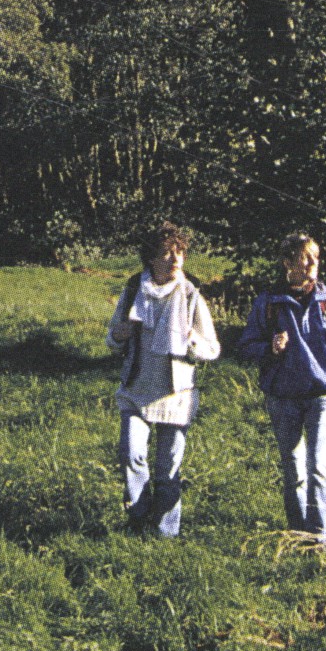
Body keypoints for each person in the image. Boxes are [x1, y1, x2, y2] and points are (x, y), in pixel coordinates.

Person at [238, 233, 326, 546]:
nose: (313, 264)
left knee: (317, 465)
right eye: (305, 257)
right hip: (284, 395)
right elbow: (247, 345)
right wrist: (270, 347)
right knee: (293, 466)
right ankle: (297, 532)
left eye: (315, 257)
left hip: (323, 393)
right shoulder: (269, 302)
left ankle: (319, 538)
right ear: (287, 263)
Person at [106, 222, 220, 536]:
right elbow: (113, 337)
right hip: (136, 389)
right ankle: (140, 518)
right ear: (151, 259)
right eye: (167, 253)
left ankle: (165, 534)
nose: (175, 260)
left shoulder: (191, 294)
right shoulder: (134, 290)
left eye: (179, 252)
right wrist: (119, 334)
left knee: (167, 470)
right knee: (132, 455)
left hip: (176, 395)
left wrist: (192, 341)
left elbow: (212, 348)